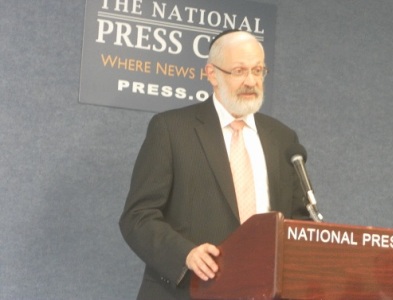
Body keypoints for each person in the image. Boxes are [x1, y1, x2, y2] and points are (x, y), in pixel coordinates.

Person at [119, 29, 311, 300]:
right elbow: (138, 216)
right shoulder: (172, 129)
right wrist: (185, 253)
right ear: (212, 74)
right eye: (239, 71)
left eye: (258, 71)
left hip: (262, 292)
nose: (251, 81)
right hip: (188, 290)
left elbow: (299, 221)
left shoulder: (282, 138)